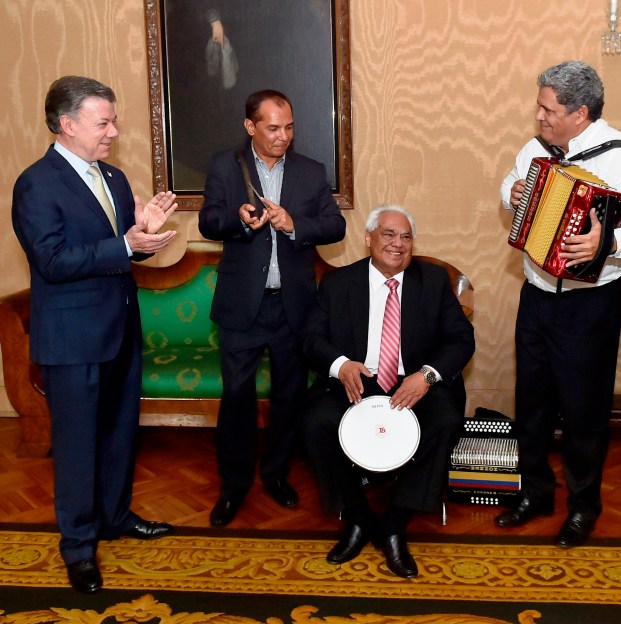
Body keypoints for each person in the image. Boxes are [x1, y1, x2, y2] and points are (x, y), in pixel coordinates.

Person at [11, 76, 178, 593]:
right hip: (73, 337)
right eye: (103, 122)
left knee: (119, 436)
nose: (113, 131)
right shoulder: (37, 183)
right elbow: (53, 261)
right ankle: (79, 547)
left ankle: (115, 518)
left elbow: (122, 251)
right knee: (79, 446)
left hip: (120, 329)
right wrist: (126, 245)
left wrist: (143, 236)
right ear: (67, 125)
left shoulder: (115, 178)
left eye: (112, 121)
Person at [497, 61, 621, 546]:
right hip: (536, 297)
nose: (539, 116)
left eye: (548, 109)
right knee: (532, 405)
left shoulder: (619, 157)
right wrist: (515, 192)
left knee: (584, 412)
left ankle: (584, 505)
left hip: (590, 306)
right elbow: (508, 189)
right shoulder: (536, 148)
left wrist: (605, 243)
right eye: (539, 106)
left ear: (580, 112)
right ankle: (535, 495)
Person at [301, 204, 475, 578]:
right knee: (317, 421)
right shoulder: (338, 283)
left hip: (413, 382)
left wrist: (427, 375)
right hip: (356, 379)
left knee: (444, 419)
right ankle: (359, 518)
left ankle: (395, 523)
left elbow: (462, 340)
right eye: (388, 234)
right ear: (368, 238)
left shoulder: (432, 281)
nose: (398, 243)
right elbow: (310, 339)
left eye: (406, 236)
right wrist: (341, 364)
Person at [199, 89, 346, 528]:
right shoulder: (225, 165)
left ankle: (277, 474)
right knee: (237, 398)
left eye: (289, 127)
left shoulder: (310, 171)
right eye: (273, 128)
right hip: (243, 305)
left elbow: (335, 226)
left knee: (288, 397)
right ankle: (234, 486)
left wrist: (294, 224)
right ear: (251, 127)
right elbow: (208, 221)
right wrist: (237, 220)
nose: (283, 136)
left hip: (293, 306)